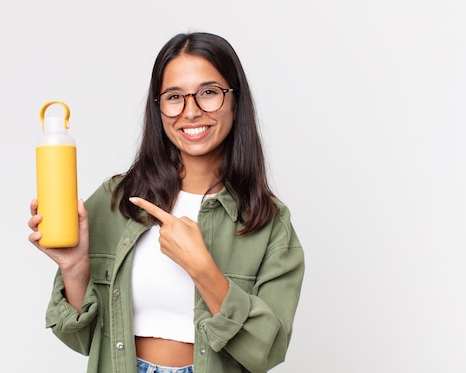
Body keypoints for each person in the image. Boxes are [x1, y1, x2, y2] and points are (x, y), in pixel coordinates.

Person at [28, 32, 304, 373]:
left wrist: (202, 268)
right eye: (174, 97)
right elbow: (82, 340)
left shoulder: (268, 222)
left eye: (208, 93)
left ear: (235, 100)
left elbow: (267, 351)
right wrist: (74, 268)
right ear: (158, 108)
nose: (191, 112)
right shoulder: (118, 200)